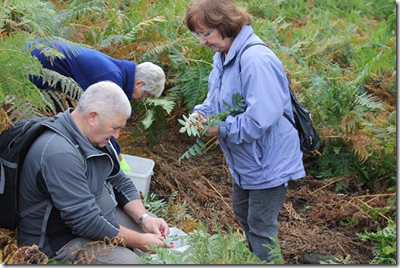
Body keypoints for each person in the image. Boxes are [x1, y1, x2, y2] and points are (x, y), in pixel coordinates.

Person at [184, 0, 305, 262]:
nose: (202, 42)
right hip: (246, 161)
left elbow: (260, 120)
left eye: (205, 33)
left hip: (268, 161)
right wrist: (201, 114)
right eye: (198, 35)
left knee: (261, 227)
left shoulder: (255, 59)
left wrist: (220, 128)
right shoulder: (224, 55)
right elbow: (214, 99)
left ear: (225, 24)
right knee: (242, 212)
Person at [18, 81, 169, 264]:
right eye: (115, 128)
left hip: (97, 215)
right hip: (59, 240)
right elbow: (86, 222)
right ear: (92, 117)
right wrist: (140, 241)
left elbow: (120, 181)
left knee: (157, 235)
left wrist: (144, 218)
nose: (117, 136)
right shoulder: (59, 152)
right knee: (132, 262)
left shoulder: (97, 137)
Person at [28, 40, 166, 168]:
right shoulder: (110, 80)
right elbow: (102, 123)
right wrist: (118, 160)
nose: (139, 99)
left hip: (36, 54)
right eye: (144, 95)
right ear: (139, 83)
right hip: (28, 65)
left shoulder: (116, 70)